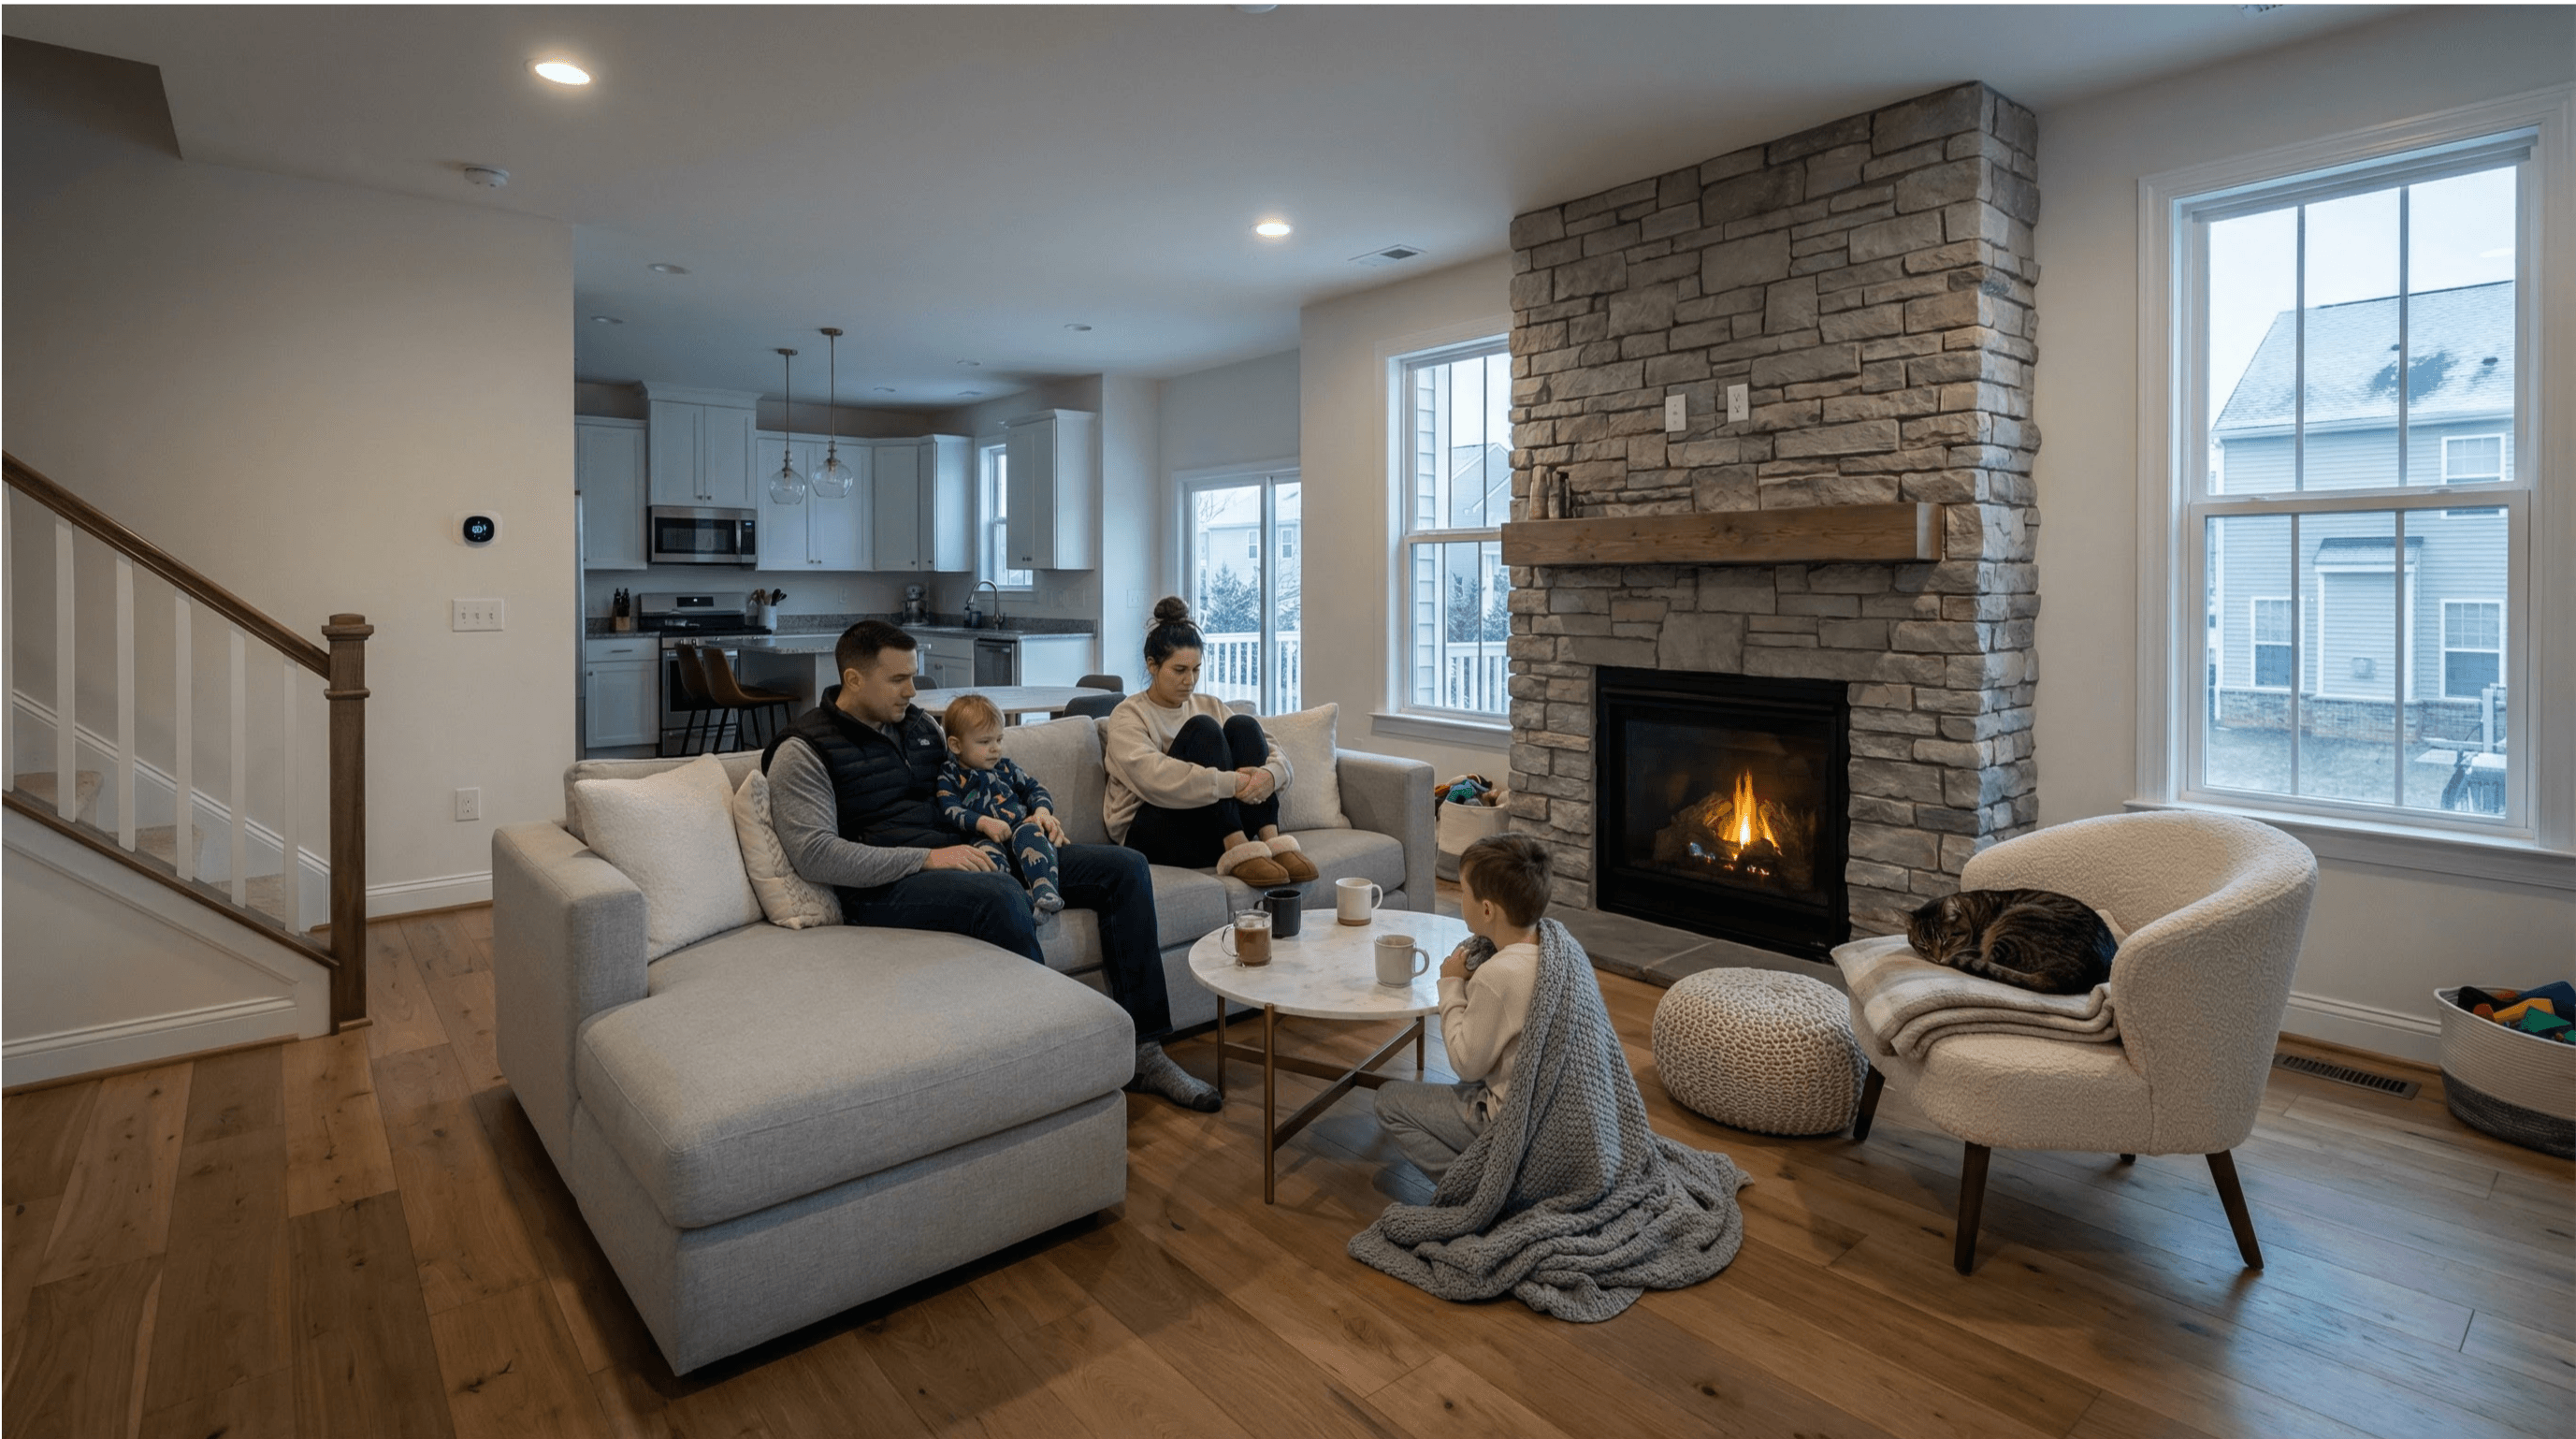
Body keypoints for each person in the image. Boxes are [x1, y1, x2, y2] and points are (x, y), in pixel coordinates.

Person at [761, 620, 1220, 1112]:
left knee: (1124, 868)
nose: (912, 691)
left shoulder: (917, 727)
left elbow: (978, 783)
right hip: (888, 884)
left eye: (913, 676)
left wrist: (1031, 818)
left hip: (973, 854)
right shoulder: (803, 749)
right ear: (854, 680)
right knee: (1001, 897)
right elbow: (814, 854)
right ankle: (1052, 1062)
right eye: (898, 680)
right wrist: (929, 858)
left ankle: (1145, 1051)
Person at [1101, 596, 1317, 887]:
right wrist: (1235, 783)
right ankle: (1239, 849)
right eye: (1179, 670)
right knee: (1204, 729)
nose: (1190, 681)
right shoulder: (1128, 715)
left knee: (1243, 725)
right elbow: (1154, 778)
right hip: (1150, 834)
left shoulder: (1208, 703)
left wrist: (1269, 775)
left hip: (1204, 826)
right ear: (1152, 665)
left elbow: (1271, 748)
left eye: (1196, 670)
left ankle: (1272, 842)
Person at [1372, 833, 1552, 1180]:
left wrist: (1452, 983)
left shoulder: (1498, 975)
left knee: (1388, 1102)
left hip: (1514, 1126)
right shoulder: (1557, 948)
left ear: (1486, 909)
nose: (1459, 897)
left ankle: (1476, 1191)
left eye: (1464, 891)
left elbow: (1466, 1065)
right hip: (1549, 1114)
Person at [934, 691, 1065, 920]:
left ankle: (1046, 892)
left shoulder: (1005, 768)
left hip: (1018, 827)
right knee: (987, 866)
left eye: (999, 739)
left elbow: (1035, 789)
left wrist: (1042, 811)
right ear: (955, 745)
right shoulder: (950, 774)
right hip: (980, 838)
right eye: (985, 742)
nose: (995, 748)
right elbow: (949, 808)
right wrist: (983, 822)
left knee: (1033, 834)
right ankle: (1019, 904)